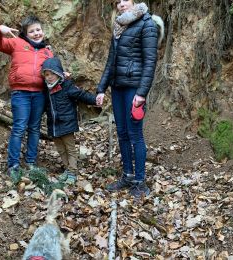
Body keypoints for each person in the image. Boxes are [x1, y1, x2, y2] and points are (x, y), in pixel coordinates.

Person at [96, 0, 161, 198]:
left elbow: (150, 62)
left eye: (124, 0)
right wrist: (101, 88)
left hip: (134, 88)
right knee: (122, 133)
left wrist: (141, 93)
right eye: (117, 2)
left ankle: (140, 182)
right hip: (117, 88)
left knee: (135, 135)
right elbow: (111, 61)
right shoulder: (119, 25)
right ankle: (128, 175)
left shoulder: (147, 24)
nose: (120, 4)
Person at [0, 15, 54, 178]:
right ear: (25, 34)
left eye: (38, 30)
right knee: (19, 128)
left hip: (39, 94)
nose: (36, 33)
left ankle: (31, 162)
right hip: (21, 93)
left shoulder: (48, 52)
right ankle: (13, 166)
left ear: (43, 31)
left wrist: (62, 74)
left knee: (34, 128)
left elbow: (53, 74)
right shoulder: (17, 43)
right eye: (32, 31)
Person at [42, 57, 98, 185]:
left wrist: (95, 100)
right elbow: (42, 106)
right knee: (61, 149)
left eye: (53, 74)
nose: (50, 77)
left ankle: (72, 172)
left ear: (59, 74)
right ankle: (67, 169)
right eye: (47, 74)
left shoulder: (67, 86)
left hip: (67, 123)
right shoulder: (46, 90)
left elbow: (81, 95)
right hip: (54, 125)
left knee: (70, 149)